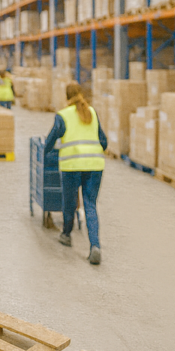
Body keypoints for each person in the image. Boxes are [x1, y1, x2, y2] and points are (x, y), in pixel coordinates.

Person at [44, 83, 106, 265]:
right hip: (95, 165)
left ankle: (66, 234)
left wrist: (45, 151)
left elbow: (51, 139)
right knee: (90, 204)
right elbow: (103, 140)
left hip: (72, 165)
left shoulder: (63, 115)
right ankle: (95, 246)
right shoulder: (92, 112)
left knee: (70, 202)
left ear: (66, 97)